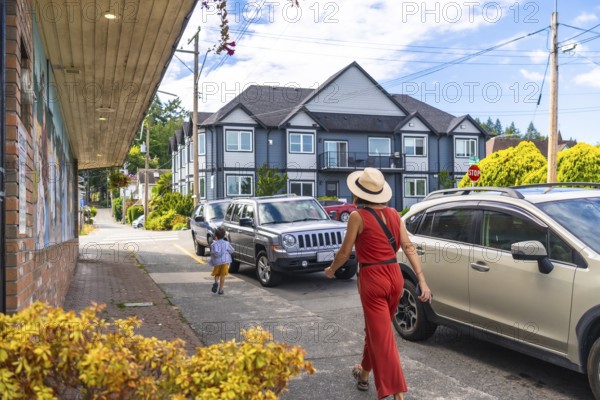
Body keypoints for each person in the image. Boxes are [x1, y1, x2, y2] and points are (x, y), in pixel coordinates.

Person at [324, 167, 432, 400]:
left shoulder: (357, 216)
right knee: (376, 331)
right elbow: (408, 247)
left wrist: (332, 270)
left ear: (358, 194)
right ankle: (364, 374)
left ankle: (397, 394)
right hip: (395, 277)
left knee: (383, 337)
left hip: (372, 279)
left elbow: (344, 252)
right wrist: (422, 280)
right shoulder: (394, 214)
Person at [210, 226, 234, 295]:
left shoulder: (213, 244)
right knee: (222, 276)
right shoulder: (226, 243)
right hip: (224, 262)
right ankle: (220, 290)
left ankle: (215, 282)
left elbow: (212, 252)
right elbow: (232, 250)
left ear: (216, 236)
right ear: (224, 235)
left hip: (217, 262)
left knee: (217, 274)